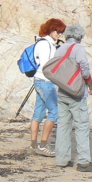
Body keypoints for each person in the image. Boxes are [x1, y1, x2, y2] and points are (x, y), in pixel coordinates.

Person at [52, 24, 92, 173]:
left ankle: (62, 159)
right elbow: (84, 69)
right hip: (76, 92)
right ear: (80, 37)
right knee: (82, 126)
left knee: (63, 125)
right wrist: (90, 85)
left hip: (62, 91)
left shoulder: (60, 49)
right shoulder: (78, 49)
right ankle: (84, 162)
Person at [30, 18, 66, 157]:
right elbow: (47, 66)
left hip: (39, 80)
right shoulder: (46, 44)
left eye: (61, 32)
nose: (60, 34)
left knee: (38, 112)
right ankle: (43, 145)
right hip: (46, 81)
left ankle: (33, 145)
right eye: (58, 31)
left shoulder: (41, 42)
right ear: (51, 30)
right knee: (54, 112)